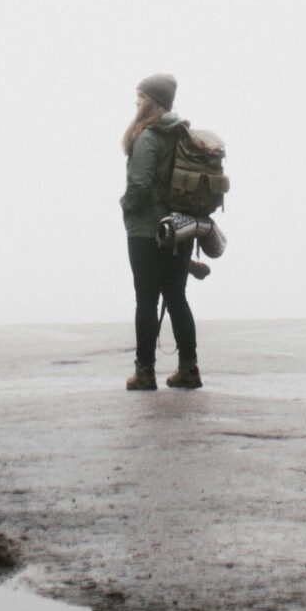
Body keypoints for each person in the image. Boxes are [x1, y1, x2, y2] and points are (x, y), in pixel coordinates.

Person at [121, 74, 201, 390]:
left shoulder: (148, 137)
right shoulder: (184, 135)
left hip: (146, 230)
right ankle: (189, 369)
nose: (136, 104)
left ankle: (145, 373)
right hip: (181, 228)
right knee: (177, 297)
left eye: (139, 99)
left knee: (146, 299)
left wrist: (125, 205)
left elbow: (139, 185)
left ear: (151, 102)